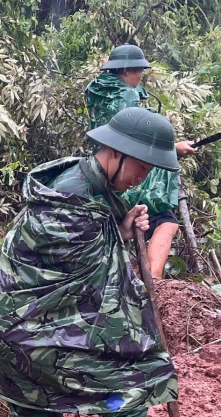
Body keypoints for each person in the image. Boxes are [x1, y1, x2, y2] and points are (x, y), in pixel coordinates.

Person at [0, 108, 181, 417]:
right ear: (114, 154)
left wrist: (122, 224)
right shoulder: (78, 208)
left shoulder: (71, 180)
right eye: (140, 168)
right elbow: (102, 292)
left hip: (13, 338)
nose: (141, 179)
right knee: (131, 392)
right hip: (42, 342)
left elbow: (89, 250)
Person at [84, 43, 197, 278]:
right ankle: (154, 280)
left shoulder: (96, 90)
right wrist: (174, 149)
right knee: (166, 220)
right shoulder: (126, 94)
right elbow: (132, 142)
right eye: (138, 71)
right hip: (120, 167)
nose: (140, 76)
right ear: (126, 71)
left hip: (101, 159)